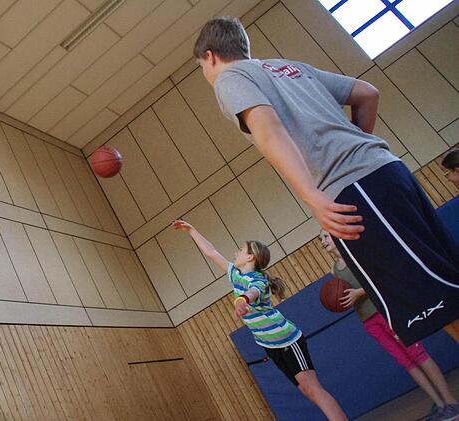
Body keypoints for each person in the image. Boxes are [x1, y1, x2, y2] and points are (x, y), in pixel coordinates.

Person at [193, 17, 459, 346]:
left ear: (211, 56)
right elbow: (367, 93)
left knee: (437, 300)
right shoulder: (288, 67)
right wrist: (356, 147)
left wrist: (312, 196)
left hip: (356, 190)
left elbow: (267, 127)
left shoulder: (229, 78)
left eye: (201, 67)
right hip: (386, 172)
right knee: (447, 282)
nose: (206, 75)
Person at [173, 219, 347, 421]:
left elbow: (253, 292)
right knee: (307, 391)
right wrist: (192, 231)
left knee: (313, 389)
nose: (235, 253)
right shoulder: (235, 275)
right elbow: (211, 253)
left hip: (287, 341)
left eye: (240, 250)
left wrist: (242, 300)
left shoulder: (258, 280)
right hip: (270, 345)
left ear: (250, 257)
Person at [320, 230, 459, 421]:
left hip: (386, 313)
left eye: (325, 236)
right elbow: (345, 296)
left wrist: (357, 293)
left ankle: (451, 401)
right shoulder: (334, 271)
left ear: (337, 236)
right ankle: (440, 405)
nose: (322, 241)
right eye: (321, 239)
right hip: (368, 321)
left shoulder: (358, 255)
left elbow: (379, 279)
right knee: (406, 362)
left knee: (417, 354)